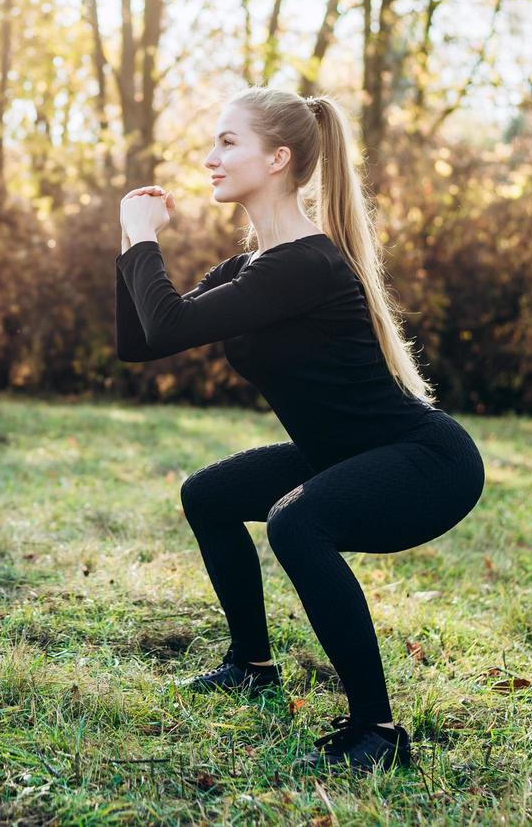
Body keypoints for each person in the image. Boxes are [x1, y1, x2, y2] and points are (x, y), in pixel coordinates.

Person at [114, 85, 485, 774]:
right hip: (343, 455)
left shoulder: (307, 264)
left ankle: (378, 731)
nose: (209, 158)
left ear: (278, 157)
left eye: (228, 143)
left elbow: (164, 321)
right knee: (210, 496)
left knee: (295, 523)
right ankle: (252, 665)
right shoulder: (250, 268)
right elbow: (145, 341)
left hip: (425, 463)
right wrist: (130, 249)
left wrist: (143, 238)